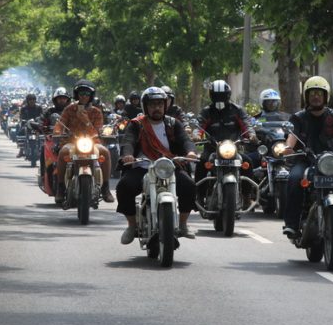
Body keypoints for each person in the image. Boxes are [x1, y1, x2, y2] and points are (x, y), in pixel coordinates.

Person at [282, 76, 333, 239]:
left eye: (319, 93)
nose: (316, 96)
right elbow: (292, 134)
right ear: (306, 96)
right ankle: (292, 224)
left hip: (332, 161)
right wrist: (288, 148)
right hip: (306, 160)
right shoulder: (298, 117)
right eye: (312, 93)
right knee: (294, 178)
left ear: (326, 96)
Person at [116, 87, 198, 244]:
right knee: (123, 186)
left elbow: (185, 140)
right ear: (145, 106)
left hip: (169, 167)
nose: (157, 108)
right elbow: (128, 141)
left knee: (189, 185)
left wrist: (191, 152)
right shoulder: (137, 124)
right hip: (143, 167)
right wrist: (128, 155)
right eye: (152, 105)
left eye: (160, 104)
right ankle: (132, 226)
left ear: (165, 106)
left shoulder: (174, 123)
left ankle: (183, 224)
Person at [195, 79, 258, 208]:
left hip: (233, 149)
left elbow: (246, 124)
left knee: (247, 163)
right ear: (211, 96)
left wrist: (251, 134)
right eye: (216, 95)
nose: (219, 98)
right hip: (212, 149)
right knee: (201, 164)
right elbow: (199, 125)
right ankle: (199, 196)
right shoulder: (207, 111)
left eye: (222, 95)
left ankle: (246, 196)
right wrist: (196, 135)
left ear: (228, 95)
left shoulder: (237, 110)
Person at [53, 79, 114, 203]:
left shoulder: (97, 112)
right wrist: (57, 131)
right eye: (81, 93)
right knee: (63, 152)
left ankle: (106, 188)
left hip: (92, 142)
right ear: (77, 95)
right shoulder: (69, 109)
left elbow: (97, 131)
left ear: (91, 95)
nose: (84, 96)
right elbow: (60, 124)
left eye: (87, 94)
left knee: (105, 152)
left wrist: (86, 120)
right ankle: (60, 188)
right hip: (71, 142)